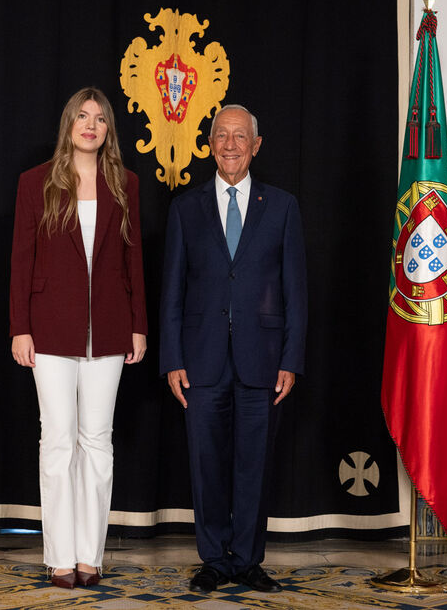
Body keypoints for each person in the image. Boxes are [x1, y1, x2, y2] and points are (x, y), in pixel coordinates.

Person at [160, 104, 307, 594]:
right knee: (206, 464)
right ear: (209, 143)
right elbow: (172, 291)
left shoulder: (282, 206)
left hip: (263, 361)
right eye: (221, 135)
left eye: (239, 136)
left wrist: (291, 359)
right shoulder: (186, 208)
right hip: (200, 361)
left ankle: (246, 560)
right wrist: (172, 359)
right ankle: (213, 560)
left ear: (256, 145)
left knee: (254, 464)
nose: (229, 145)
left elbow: (295, 291)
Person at [9, 87, 147, 589]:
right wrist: (19, 328)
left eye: (101, 119)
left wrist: (138, 325)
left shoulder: (125, 183)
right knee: (58, 441)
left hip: (110, 329)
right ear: (68, 123)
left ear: (109, 130)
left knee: (98, 442)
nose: (91, 125)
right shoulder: (35, 182)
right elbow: (21, 260)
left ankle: (90, 556)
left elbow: (134, 259)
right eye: (83, 116)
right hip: (48, 329)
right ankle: (60, 556)